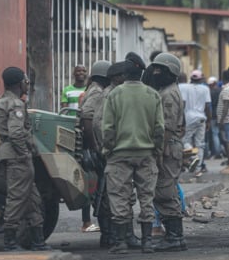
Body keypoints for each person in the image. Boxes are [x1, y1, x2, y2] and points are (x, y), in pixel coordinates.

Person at [101, 59, 163, 254]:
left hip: (119, 154)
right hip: (146, 153)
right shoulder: (152, 95)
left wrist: (108, 148)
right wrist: (156, 149)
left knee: (119, 197)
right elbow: (160, 128)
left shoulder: (114, 94)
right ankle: (147, 242)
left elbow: (108, 128)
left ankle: (121, 243)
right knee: (146, 198)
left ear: (124, 76)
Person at [0, 67, 51, 251]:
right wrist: (25, 152)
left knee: (32, 198)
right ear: (20, 83)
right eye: (26, 81)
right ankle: (9, 242)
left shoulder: (4, 101)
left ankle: (38, 241)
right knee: (18, 197)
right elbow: (17, 133)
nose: (28, 84)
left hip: (14, 155)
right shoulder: (15, 104)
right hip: (18, 157)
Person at [144, 53, 187, 252]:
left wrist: (160, 152)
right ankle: (174, 236)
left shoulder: (169, 94)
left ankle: (174, 237)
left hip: (168, 148)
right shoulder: (166, 90)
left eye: (160, 70)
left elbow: (167, 127)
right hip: (169, 146)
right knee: (165, 189)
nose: (156, 73)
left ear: (171, 72)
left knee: (164, 190)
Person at [79, 60, 112, 245]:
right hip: (96, 148)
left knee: (102, 192)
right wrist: (95, 147)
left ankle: (107, 234)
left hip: (96, 146)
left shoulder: (93, 89)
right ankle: (107, 234)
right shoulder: (98, 92)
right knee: (103, 192)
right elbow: (87, 118)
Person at [60, 64, 94, 232]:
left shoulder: (90, 92)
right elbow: (64, 110)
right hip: (71, 131)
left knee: (87, 169)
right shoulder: (67, 90)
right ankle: (86, 221)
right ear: (73, 74)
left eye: (83, 71)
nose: (81, 73)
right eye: (78, 71)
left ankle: (87, 221)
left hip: (85, 131)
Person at [180, 70, 212, 177]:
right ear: (201, 79)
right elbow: (207, 106)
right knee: (200, 144)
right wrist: (209, 121)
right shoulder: (205, 89)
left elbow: (183, 103)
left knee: (185, 140)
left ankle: (193, 158)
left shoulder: (185, 88)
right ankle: (198, 170)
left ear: (191, 79)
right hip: (201, 118)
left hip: (189, 118)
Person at [207, 76, 223, 159]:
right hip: (221, 114)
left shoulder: (210, 92)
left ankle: (217, 152)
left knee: (215, 134)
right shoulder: (221, 91)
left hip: (213, 115)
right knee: (221, 133)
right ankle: (223, 151)